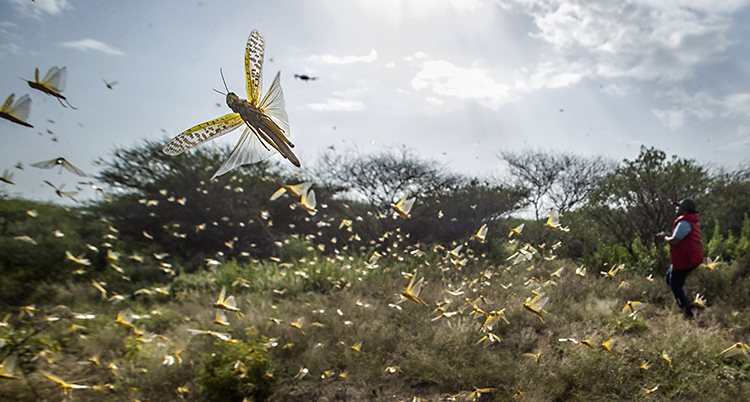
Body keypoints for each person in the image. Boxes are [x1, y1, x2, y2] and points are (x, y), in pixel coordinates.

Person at [657, 198, 703, 319]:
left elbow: (675, 241)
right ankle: (686, 304)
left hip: (686, 259)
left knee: (675, 285)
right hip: (686, 258)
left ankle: (687, 313)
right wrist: (668, 237)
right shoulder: (690, 221)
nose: (677, 208)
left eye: (679, 206)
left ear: (685, 209)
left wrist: (664, 238)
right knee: (669, 279)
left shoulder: (684, 223)